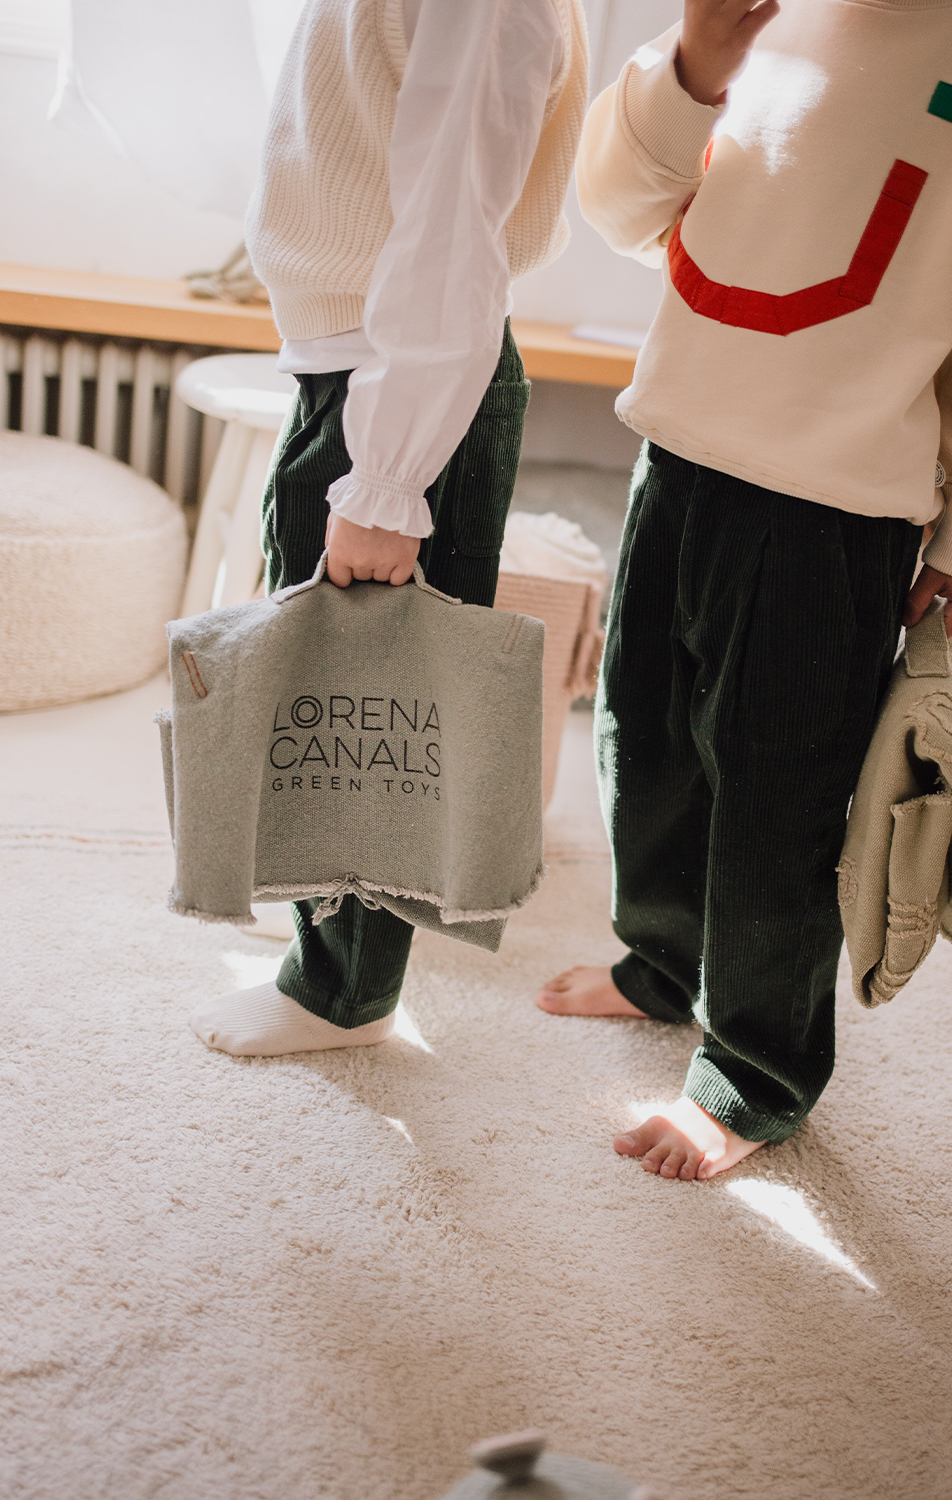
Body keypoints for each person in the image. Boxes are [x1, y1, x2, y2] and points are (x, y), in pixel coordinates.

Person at [537, 0, 952, 1178]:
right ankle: (662, 962)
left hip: (835, 506)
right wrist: (694, 65)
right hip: (677, 451)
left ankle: (754, 1070)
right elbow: (617, 207)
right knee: (644, 744)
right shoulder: (742, 18)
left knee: (781, 799)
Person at [189, 0, 588, 1057]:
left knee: (370, 711)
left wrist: (385, 483)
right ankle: (326, 950)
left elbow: (453, 224)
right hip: (361, 356)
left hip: (397, 371)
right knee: (327, 692)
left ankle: (344, 994)